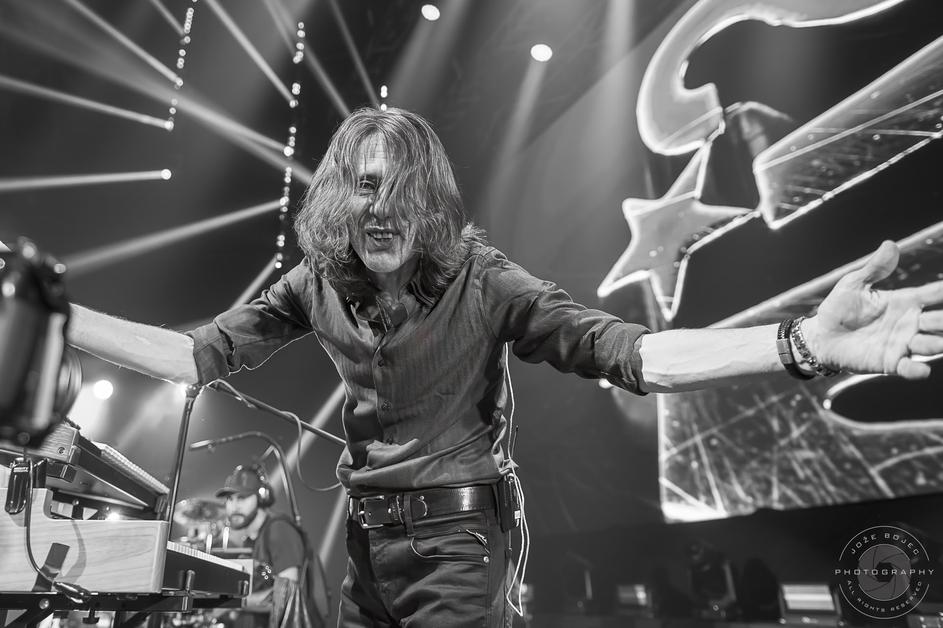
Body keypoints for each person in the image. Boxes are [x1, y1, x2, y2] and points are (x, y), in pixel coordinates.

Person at [65, 107, 943, 627]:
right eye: (364, 185)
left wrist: (799, 342)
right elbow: (194, 356)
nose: (382, 206)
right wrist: (55, 318)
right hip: (368, 547)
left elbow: (633, 354)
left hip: (458, 547)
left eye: (401, 188)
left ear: (428, 201)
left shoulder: (482, 281)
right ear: (340, 198)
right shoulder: (314, 284)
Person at [215, 464, 321, 628]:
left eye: (242, 497)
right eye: (230, 499)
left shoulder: (279, 530)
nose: (234, 506)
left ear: (261, 497)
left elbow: (287, 596)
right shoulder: (250, 541)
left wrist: (228, 603)